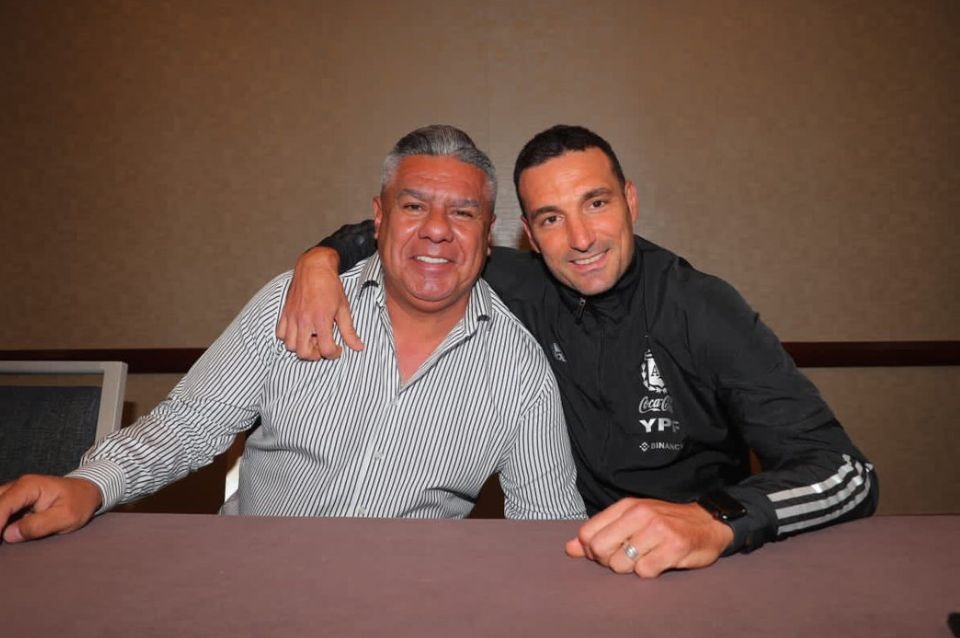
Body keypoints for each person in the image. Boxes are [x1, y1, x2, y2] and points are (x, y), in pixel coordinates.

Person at [278, 124, 879, 578]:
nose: (582, 238)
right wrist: (320, 259)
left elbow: (845, 472)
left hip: (702, 565)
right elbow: (409, 233)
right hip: (571, 564)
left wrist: (714, 519)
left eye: (596, 203)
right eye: (551, 218)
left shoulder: (701, 308)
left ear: (630, 201)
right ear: (529, 236)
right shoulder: (510, 282)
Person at [0, 125, 586, 544]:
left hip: (402, 605)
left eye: (462, 213)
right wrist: (90, 484)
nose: (437, 231)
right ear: (379, 217)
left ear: (488, 234)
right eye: (413, 206)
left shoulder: (519, 370)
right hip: (245, 585)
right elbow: (187, 426)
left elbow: (547, 525)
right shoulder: (293, 305)